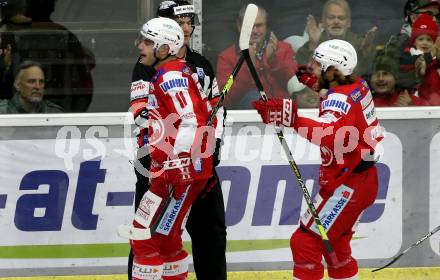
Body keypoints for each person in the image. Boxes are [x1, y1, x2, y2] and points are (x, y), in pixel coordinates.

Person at [252, 39, 383, 279]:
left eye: (319, 64)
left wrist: (291, 118)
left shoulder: (338, 99)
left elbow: (330, 133)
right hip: (362, 179)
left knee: (306, 241)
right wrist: (319, 86)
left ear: (333, 71)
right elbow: (341, 102)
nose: (312, 66)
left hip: (348, 184)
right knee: (337, 248)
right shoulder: (357, 83)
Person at [128, 1, 227, 279]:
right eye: (179, 21)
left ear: (162, 46)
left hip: (175, 170)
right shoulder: (168, 69)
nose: (140, 47)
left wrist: (187, 158)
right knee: (167, 238)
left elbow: (195, 118)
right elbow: (143, 112)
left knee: (146, 237)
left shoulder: (174, 73)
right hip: (168, 166)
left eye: (146, 42)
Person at [0, 0, 95, 112]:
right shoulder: (10, 34)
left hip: (58, 109)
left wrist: (71, 121)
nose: (37, 86)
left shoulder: (62, 34)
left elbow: (83, 80)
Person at [216, 4, 298, 109]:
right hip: (248, 120)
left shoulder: (283, 49)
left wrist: (273, 60)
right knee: (254, 97)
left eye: (259, 25)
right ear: (239, 26)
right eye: (249, 26)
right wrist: (249, 67)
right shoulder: (226, 57)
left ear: (266, 26)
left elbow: (295, 88)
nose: (254, 31)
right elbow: (224, 99)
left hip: (281, 115)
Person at [295, 0, 377, 75]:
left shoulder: (361, 44)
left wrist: (365, 52)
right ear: (323, 22)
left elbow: (368, 73)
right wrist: (313, 45)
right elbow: (302, 75)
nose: (336, 22)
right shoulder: (311, 44)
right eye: (331, 18)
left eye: (341, 18)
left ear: (349, 23)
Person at [383, 0, 439, 90]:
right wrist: (430, 56)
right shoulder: (399, 41)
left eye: (437, 16)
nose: (435, 19)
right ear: (413, 18)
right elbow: (391, 74)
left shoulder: (437, 40)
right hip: (407, 99)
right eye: (429, 14)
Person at [399, 14, 440, 104]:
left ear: (434, 43)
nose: (425, 43)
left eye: (429, 40)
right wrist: (430, 55)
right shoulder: (408, 55)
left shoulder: (436, 59)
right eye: (421, 39)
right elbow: (408, 65)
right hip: (416, 103)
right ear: (414, 41)